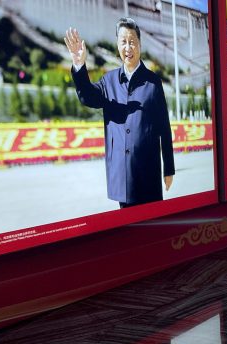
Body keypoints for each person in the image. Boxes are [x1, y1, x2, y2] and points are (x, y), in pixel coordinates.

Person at [65, 19, 174, 208]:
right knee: (128, 232)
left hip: (149, 173)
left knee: (153, 230)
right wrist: (79, 66)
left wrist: (169, 169)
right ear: (117, 45)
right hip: (123, 175)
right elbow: (88, 97)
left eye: (132, 41)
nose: (128, 47)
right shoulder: (109, 81)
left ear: (139, 44)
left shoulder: (153, 83)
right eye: (123, 41)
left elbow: (164, 127)